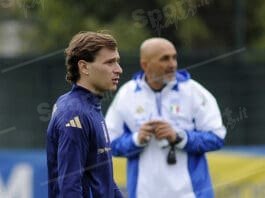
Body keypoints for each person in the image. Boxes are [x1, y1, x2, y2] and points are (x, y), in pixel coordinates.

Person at [105, 38, 227, 198]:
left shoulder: (195, 92)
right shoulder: (126, 94)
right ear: (145, 65)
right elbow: (108, 144)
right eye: (164, 58)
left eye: (174, 57)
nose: (173, 64)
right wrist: (136, 140)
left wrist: (179, 137)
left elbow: (217, 138)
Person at [46, 31, 123, 198]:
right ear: (84, 67)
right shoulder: (74, 112)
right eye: (110, 62)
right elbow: (69, 188)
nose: (119, 70)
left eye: (117, 62)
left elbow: (104, 180)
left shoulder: (89, 105)